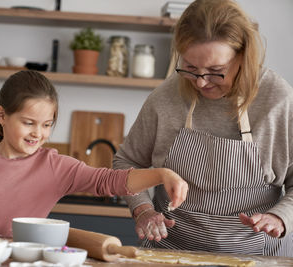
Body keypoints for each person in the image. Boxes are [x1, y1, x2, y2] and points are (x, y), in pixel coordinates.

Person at [0, 70, 188, 238]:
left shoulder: (55, 167)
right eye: (29, 123)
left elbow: (110, 181)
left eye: (47, 125)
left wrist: (162, 174)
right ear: (2, 116)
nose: (39, 133)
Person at [113, 0, 293, 257]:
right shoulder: (166, 97)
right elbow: (127, 162)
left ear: (243, 56)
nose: (200, 82)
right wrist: (143, 210)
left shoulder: (277, 99)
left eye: (216, 71)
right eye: (190, 68)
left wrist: (280, 217)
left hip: (257, 255)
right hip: (171, 253)